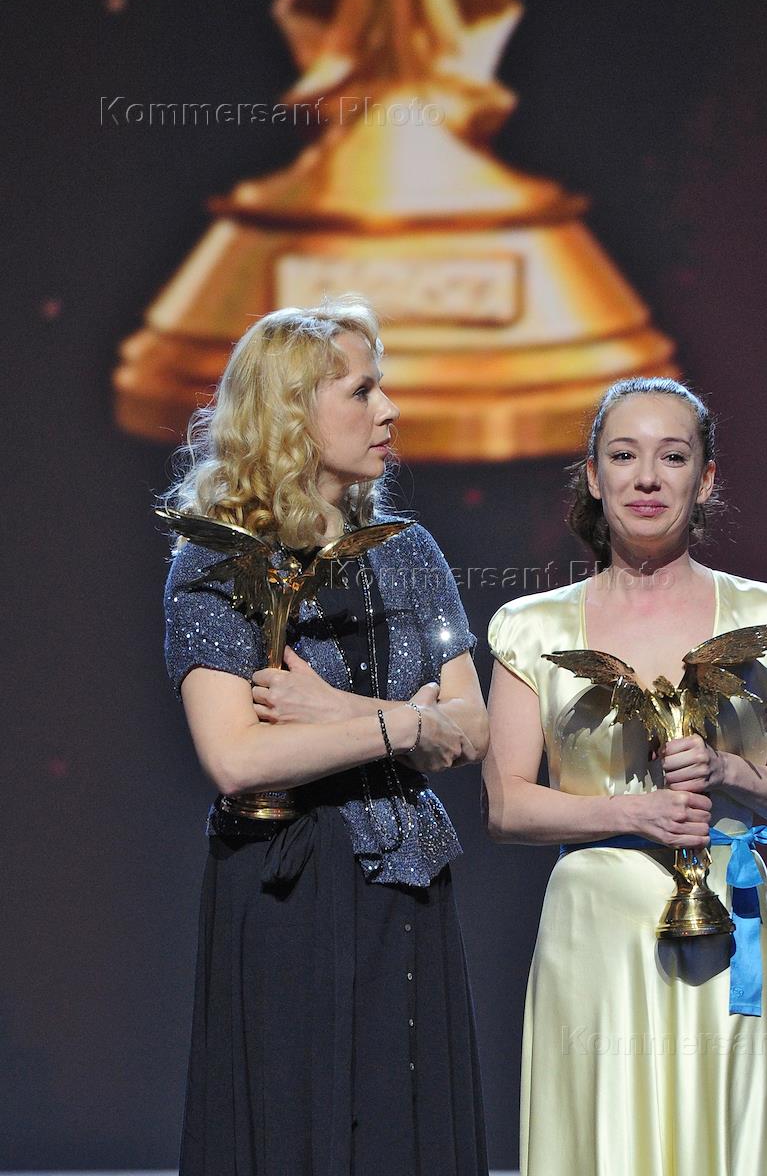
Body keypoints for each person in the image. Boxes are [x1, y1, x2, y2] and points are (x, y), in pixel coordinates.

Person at [160, 295, 489, 1176]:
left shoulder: (407, 550)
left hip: (408, 878)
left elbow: (471, 726)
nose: (389, 410)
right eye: (362, 391)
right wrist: (405, 725)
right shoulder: (218, 560)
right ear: (290, 413)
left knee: (402, 1128)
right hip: (289, 880)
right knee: (300, 1127)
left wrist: (342, 713)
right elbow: (238, 757)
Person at [482, 376, 767, 1175]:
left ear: (703, 479)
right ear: (592, 476)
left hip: (726, 920)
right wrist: (632, 814)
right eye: (623, 456)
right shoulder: (531, 627)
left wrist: (728, 769)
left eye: (671, 457)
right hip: (595, 932)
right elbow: (505, 806)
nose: (646, 478)